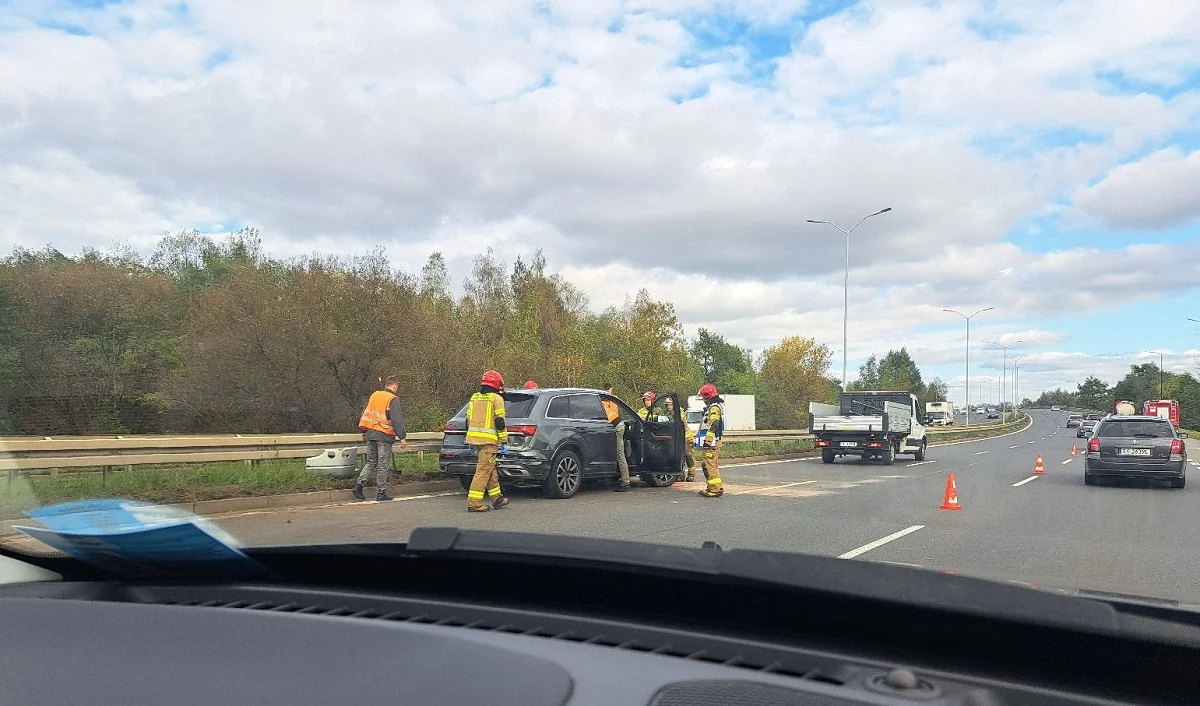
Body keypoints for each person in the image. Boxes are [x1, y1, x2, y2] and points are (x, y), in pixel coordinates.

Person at [353, 376, 409, 502]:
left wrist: (364, 431)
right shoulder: (393, 399)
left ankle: (359, 485)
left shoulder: (374, 395)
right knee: (382, 464)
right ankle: (381, 492)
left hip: (371, 433)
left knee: (371, 461)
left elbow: (365, 413)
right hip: (384, 435)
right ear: (394, 386)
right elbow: (396, 419)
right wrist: (402, 437)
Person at [464, 369, 510, 512]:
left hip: (475, 441)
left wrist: (471, 438)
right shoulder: (496, 399)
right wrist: (504, 441)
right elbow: (500, 422)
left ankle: (497, 499)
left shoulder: (475, 397)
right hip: (489, 442)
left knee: (490, 470)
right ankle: (474, 503)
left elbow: (468, 419)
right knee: (483, 471)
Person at [695, 383, 725, 498]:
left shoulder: (714, 408)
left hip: (712, 442)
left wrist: (708, 440)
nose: (703, 400)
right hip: (712, 441)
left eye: (704, 398)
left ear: (707, 397)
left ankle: (714, 489)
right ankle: (714, 487)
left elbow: (714, 424)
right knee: (710, 464)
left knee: (709, 465)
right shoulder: (714, 406)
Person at [602, 384, 631, 492]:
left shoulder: (603, 402)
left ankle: (626, 482)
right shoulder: (608, 401)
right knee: (614, 452)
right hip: (615, 425)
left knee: (619, 454)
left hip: (617, 426)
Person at [663, 396, 696, 482]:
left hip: (686, 437)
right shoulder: (669, 413)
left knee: (688, 456)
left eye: (669, 404)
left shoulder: (679, 411)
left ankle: (691, 474)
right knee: (680, 457)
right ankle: (681, 475)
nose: (668, 407)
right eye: (666, 405)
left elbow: (678, 422)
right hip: (678, 437)